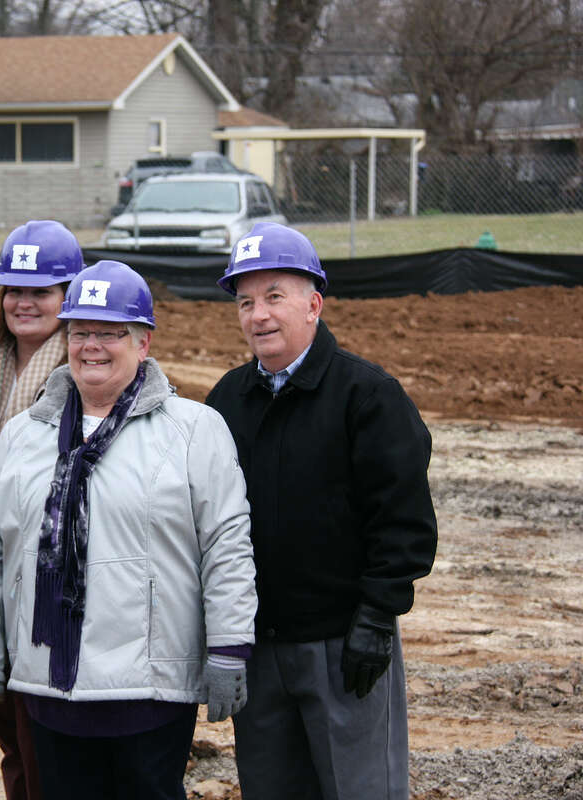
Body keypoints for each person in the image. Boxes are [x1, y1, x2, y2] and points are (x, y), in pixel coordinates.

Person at [0, 260, 258, 800]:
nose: (91, 346)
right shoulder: (23, 435)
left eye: (110, 333)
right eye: (80, 332)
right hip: (48, 685)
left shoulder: (194, 430)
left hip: (150, 690)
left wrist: (229, 646)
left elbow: (226, 545)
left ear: (143, 343)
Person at [204, 222, 438, 800]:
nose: (259, 315)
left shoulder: (367, 395)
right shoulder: (227, 400)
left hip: (343, 647)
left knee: (361, 790)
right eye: (245, 302)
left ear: (314, 305)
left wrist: (377, 615)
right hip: (258, 648)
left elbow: (403, 519)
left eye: (274, 297)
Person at [0, 219, 84, 800]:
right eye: (14, 290)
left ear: (68, 296)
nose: (24, 302)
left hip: (50, 584)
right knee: (14, 744)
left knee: (47, 747)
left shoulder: (84, 370)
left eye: (41, 291)